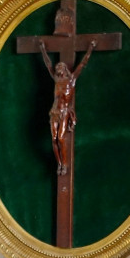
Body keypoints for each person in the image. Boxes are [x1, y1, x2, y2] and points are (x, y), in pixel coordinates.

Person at [38, 38, 97, 176]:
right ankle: (59, 164)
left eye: (60, 67)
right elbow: (47, 64)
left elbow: (82, 64)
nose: (58, 69)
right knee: (53, 139)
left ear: (65, 69)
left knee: (61, 138)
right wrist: (42, 49)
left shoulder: (71, 80)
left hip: (64, 112)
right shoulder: (56, 80)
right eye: (57, 67)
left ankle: (64, 163)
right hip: (54, 112)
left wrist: (91, 48)